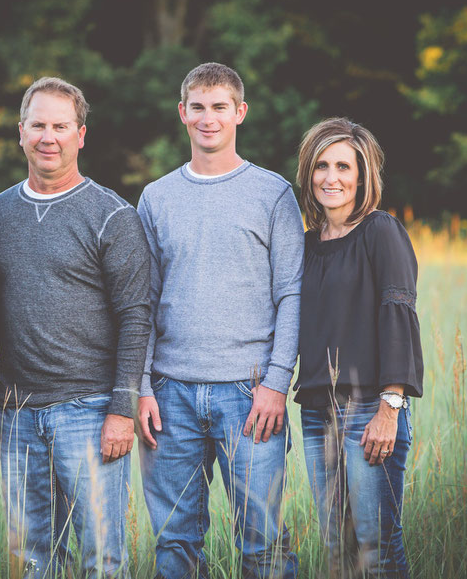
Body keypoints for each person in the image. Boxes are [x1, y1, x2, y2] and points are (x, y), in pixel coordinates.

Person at [0, 77, 151, 578]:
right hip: (16, 412)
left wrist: (122, 410)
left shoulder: (111, 215)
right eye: (38, 125)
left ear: (81, 135)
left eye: (60, 125)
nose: (48, 136)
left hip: (90, 411)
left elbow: (136, 315)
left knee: (101, 557)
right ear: (21, 132)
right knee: (31, 558)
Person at [136, 62, 303, 579]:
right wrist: (141, 386)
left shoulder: (273, 194)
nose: (209, 119)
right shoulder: (156, 197)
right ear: (183, 113)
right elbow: (141, 302)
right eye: (199, 108)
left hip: (250, 396)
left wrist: (276, 383)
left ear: (240, 113)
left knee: (262, 542)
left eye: (221, 107)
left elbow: (292, 294)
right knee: (175, 543)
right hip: (170, 395)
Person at [294, 117, 423, 579]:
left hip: (370, 409)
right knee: (340, 550)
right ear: (309, 173)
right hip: (314, 413)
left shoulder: (380, 231)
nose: (332, 178)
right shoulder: (306, 245)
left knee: (378, 549)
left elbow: (398, 313)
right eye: (322, 165)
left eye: (344, 167)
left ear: (363, 176)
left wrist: (391, 405)